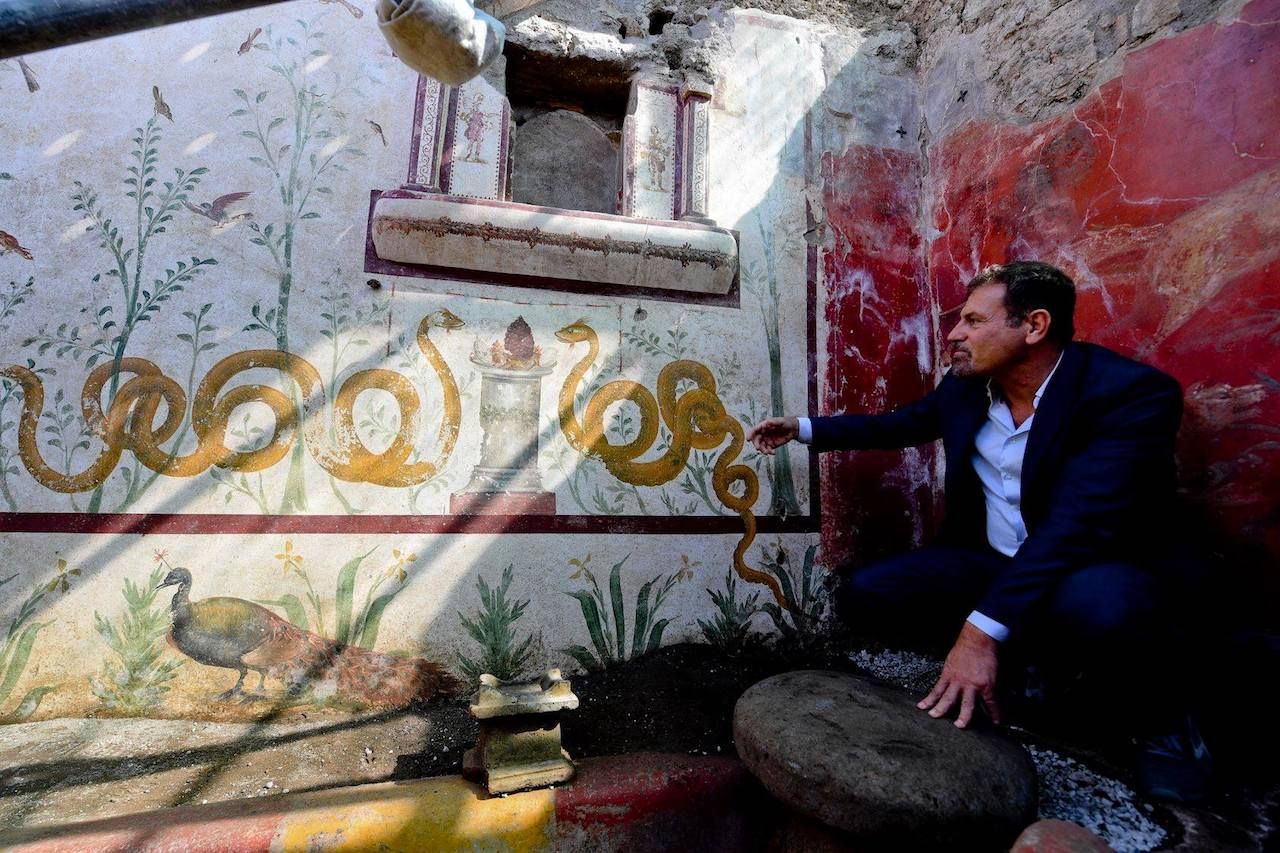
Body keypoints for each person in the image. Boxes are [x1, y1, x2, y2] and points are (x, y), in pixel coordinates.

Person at [747, 261, 1211, 801]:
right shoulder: (969, 387)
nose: (953, 334)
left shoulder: (1128, 396)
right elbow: (903, 423)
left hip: (1092, 568)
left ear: (1033, 326)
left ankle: (1166, 728)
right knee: (870, 593)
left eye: (972, 320)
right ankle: (1030, 673)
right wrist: (802, 429)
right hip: (996, 560)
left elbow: (1073, 529)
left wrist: (977, 635)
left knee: (1108, 607)